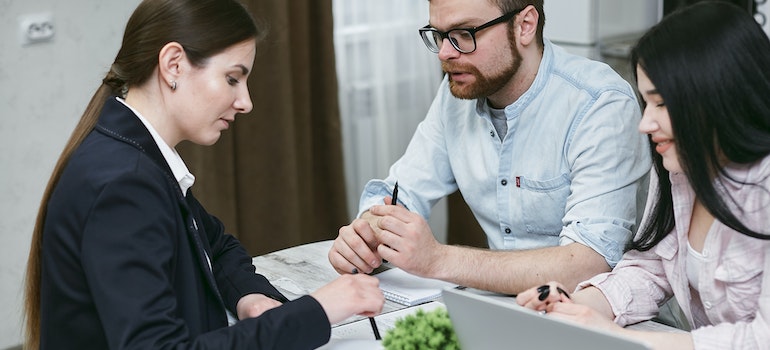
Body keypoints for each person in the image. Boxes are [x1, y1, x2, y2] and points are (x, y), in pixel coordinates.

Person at [22, 0, 384, 349]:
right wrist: (318, 311)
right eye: (232, 79)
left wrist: (250, 297)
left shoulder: (136, 156)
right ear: (174, 65)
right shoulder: (125, 183)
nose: (246, 102)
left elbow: (216, 245)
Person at [328, 0, 651, 295]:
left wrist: (437, 259)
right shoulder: (457, 95)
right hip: (504, 311)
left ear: (524, 25)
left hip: (603, 319)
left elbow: (589, 263)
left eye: (463, 34)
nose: (444, 53)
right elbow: (401, 192)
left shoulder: (599, 104)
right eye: (438, 34)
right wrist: (368, 231)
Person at [516, 2, 770, 349]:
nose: (645, 123)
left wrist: (621, 338)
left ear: (718, 94)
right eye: (645, 102)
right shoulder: (681, 171)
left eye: (661, 104)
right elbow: (650, 268)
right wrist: (578, 307)